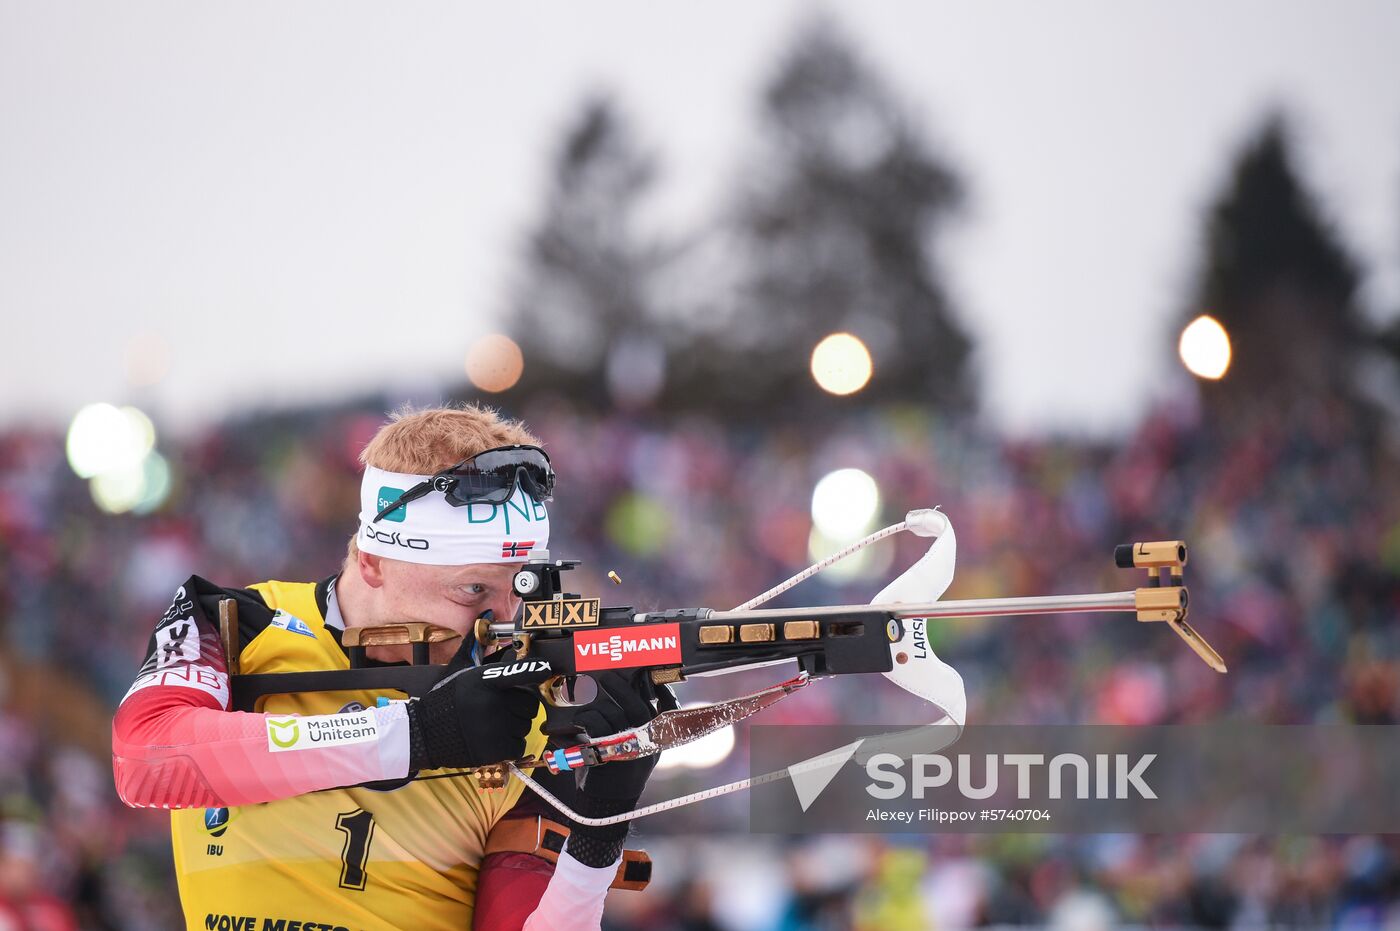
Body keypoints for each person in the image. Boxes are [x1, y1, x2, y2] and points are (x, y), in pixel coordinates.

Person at [111, 404, 665, 930]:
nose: (501, 619)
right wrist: (415, 735)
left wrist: (599, 828)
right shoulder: (235, 623)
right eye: (473, 588)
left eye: (518, 589)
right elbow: (144, 758)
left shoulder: (526, 717)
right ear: (374, 561)